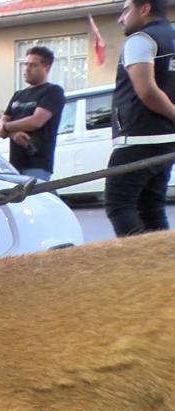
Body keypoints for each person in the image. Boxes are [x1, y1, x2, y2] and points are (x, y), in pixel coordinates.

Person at [104, 0, 175, 237]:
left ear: (144, 9)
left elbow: (147, 91)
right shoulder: (172, 37)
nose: (120, 18)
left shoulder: (141, 39)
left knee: (118, 205)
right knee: (151, 208)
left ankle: (144, 267)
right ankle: (166, 266)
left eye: (126, 10)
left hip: (138, 138)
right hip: (167, 139)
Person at [0, 47, 65, 181]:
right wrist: (12, 133)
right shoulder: (18, 95)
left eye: (33, 65)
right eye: (26, 64)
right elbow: (0, 126)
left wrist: (6, 128)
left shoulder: (52, 92)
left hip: (37, 165)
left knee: (35, 200)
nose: (27, 69)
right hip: (14, 165)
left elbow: (36, 121)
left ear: (46, 67)